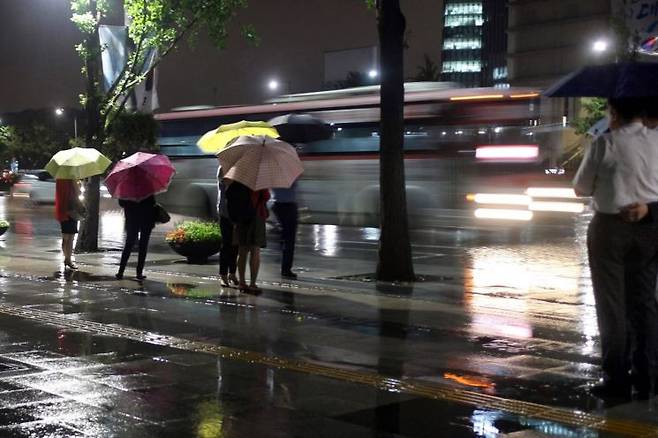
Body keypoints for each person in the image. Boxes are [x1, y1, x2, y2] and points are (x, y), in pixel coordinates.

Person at [574, 98, 658, 401]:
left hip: (610, 227)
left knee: (612, 308)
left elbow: (580, 187)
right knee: (645, 303)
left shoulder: (604, 143)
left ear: (615, 113)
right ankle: (648, 378)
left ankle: (617, 382)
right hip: (650, 228)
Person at [231, 183, 269, 293]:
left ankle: (242, 283)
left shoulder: (239, 179)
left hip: (242, 218)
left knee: (242, 250)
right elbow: (266, 196)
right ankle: (252, 284)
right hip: (256, 217)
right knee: (255, 251)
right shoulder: (258, 179)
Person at [116, 195, 156, 280]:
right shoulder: (147, 185)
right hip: (146, 220)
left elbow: (121, 203)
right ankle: (139, 273)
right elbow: (152, 202)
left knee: (128, 245)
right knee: (143, 246)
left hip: (132, 220)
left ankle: (121, 272)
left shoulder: (126, 187)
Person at [271, 180, 299, 279]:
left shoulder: (273, 175)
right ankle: (286, 269)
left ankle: (282, 253)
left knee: (284, 236)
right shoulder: (290, 176)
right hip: (289, 207)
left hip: (277, 205)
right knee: (290, 239)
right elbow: (294, 188)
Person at [217, 166, 239, 287]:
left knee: (235, 244)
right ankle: (223, 275)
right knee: (226, 244)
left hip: (237, 212)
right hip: (225, 212)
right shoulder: (223, 168)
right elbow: (226, 181)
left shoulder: (239, 167)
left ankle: (232, 273)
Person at [54, 179, 80, 270]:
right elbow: (78, 192)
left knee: (65, 236)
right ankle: (68, 260)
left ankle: (66, 258)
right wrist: (77, 183)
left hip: (62, 209)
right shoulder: (72, 178)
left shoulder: (59, 179)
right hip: (71, 209)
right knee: (70, 237)